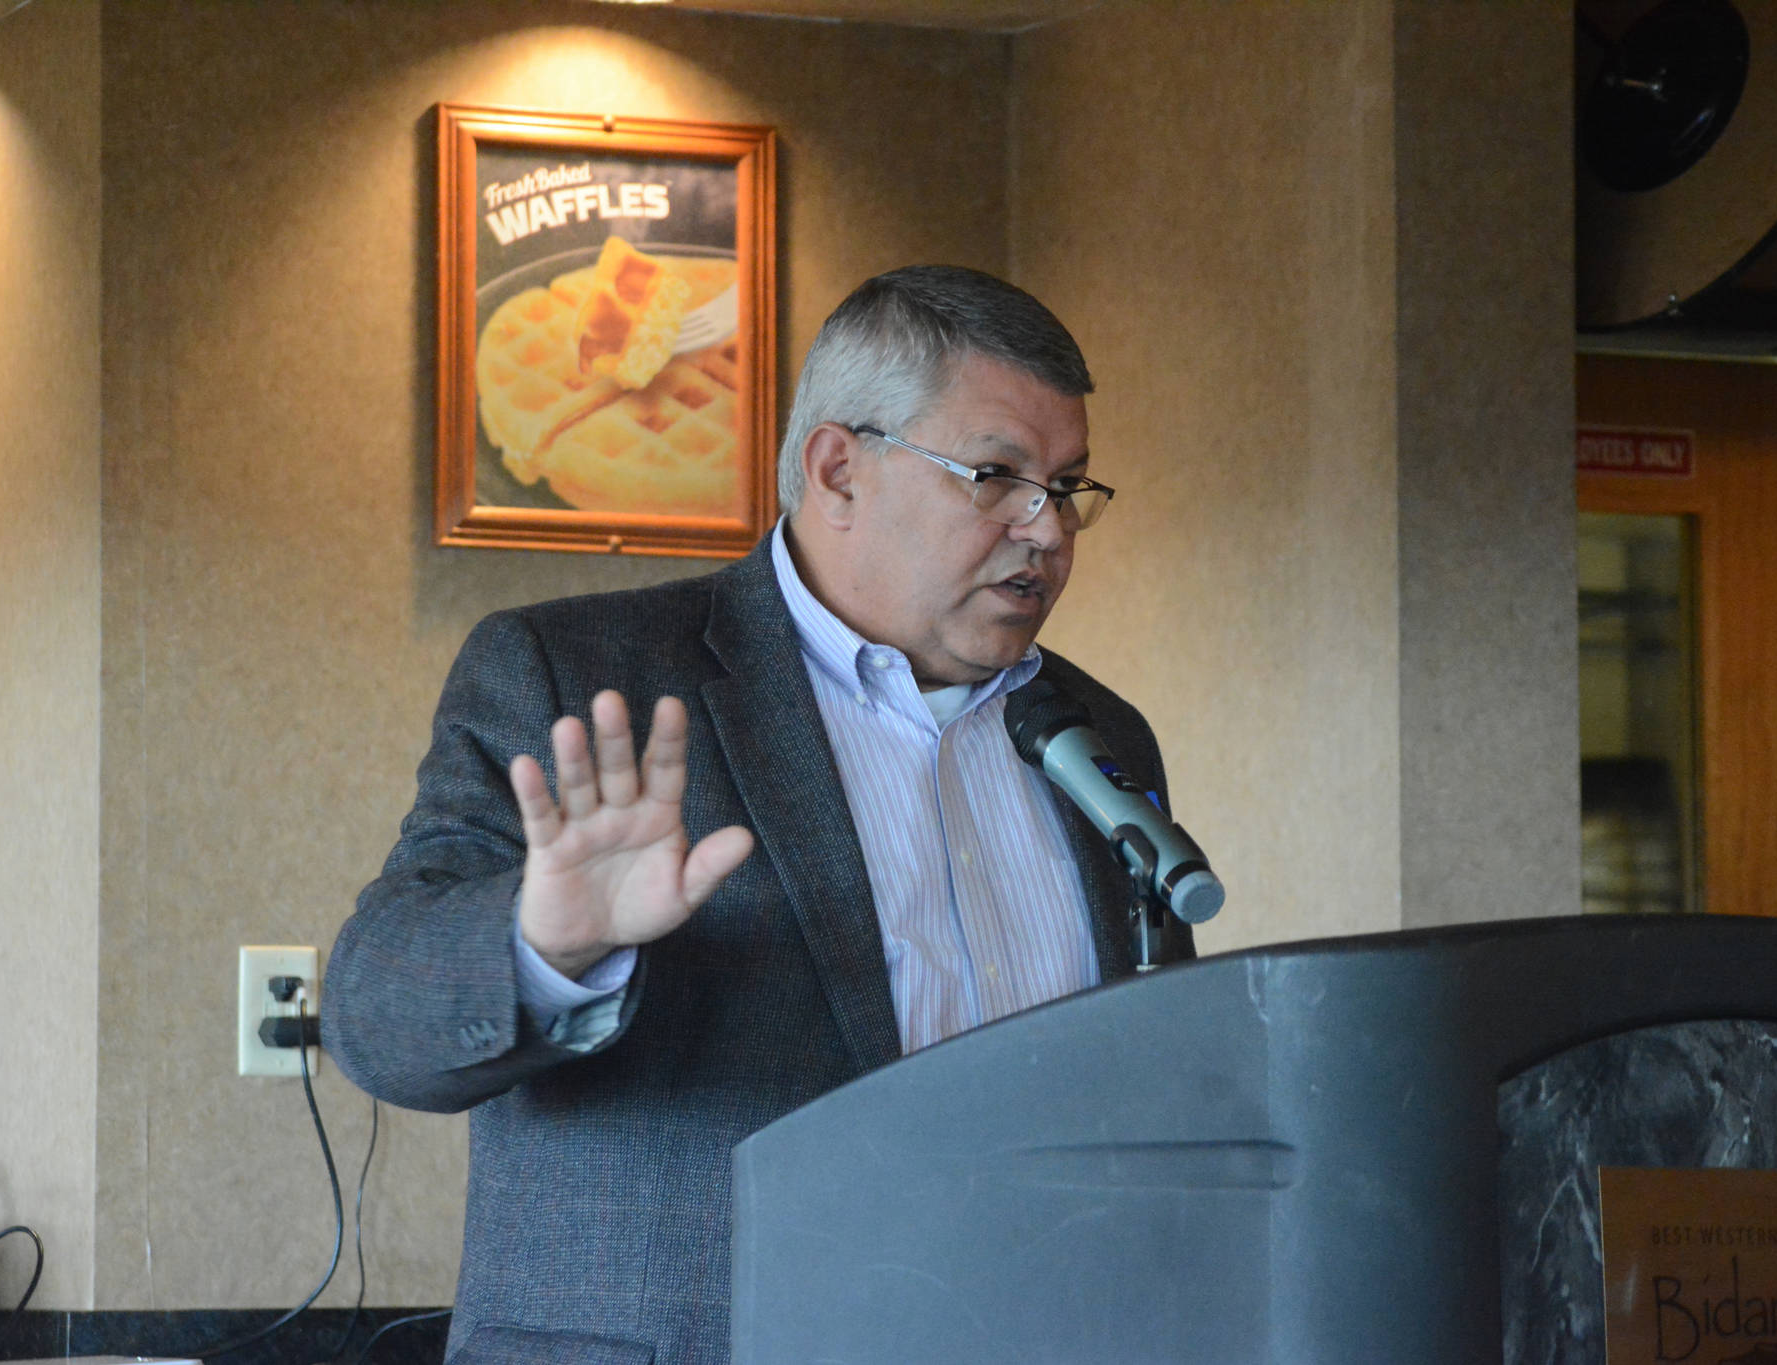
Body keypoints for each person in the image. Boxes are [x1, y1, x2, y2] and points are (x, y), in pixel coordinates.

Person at [324, 265, 1195, 1365]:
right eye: (994, 476)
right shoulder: (582, 677)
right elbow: (374, 1019)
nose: (1047, 532)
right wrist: (545, 942)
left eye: (1066, 487)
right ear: (838, 470)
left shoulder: (1100, 736)